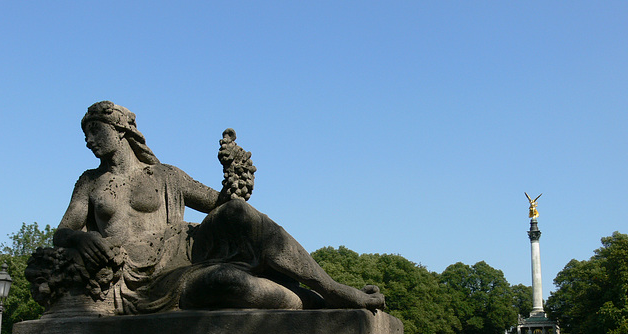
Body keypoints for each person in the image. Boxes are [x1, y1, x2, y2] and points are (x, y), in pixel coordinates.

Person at [34, 101, 384, 316]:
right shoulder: (89, 181)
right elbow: (63, 231)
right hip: (136, 280)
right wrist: (79, 241)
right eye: (86, 134)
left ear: (121, 130)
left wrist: (236, 178)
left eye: (96, 131)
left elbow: (224, 207)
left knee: (239, 214)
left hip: (180, 251)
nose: (88, 139)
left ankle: (332, 289)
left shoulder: (167, 175)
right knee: (227, 282)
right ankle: (311, 303)